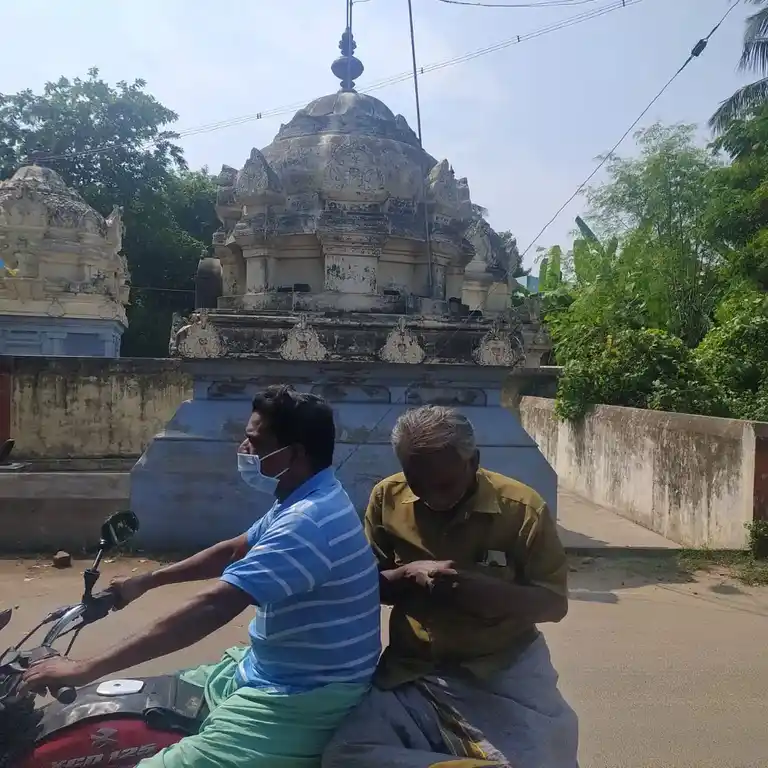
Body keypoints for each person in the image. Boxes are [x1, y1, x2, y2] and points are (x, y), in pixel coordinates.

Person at [22, 385, 381, 768]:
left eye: (255, 442)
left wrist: (82, 668)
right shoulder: (307, 496)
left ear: (294, 454)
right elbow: (232, 550)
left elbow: (211, 607)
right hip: (263, 666)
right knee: (148, 701)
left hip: (300, 697)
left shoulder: (307, 522)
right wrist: (145, 582)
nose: (243, 449)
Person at [323, 404, 579, 768]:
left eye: (444, 485)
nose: (432, 497)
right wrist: (408, 575)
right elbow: (363, 587)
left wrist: (486, 593)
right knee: (344, 757)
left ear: (473, 462)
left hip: (502, 670)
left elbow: (554, 604)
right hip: (414, 669)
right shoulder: (387, 498)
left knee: (545, 759)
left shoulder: (522, 509)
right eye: (417, 483)